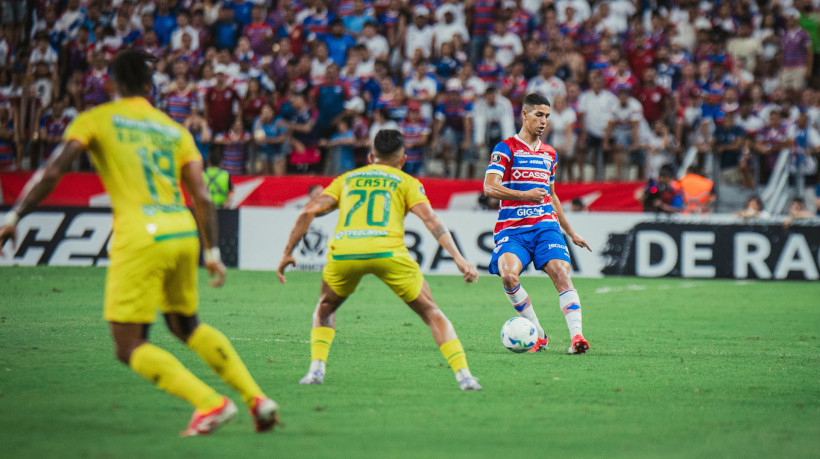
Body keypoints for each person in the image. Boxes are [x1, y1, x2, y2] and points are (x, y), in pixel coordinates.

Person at [0, 50, 278, 436]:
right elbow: (201, 193)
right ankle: (258, 400)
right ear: (151, 87)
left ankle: (211, 404)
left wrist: (14, 215)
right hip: (182, 231)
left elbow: (53, 170)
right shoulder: (173, 129)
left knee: (128, 345)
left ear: (111, 84)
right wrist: (212, 251)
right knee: (187, 325)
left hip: (140, 234)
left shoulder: (96, 119)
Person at [276, 129, 482, 391]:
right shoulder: (406, 181)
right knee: (431, 312)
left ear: (372, 156)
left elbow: (308, 211)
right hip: (388, 253)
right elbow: (431, 220)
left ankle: (316, 370)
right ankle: (464, 376)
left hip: (346, 251)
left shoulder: (347, 179)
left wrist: (287, 252)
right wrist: (459, 259)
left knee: (325, 308)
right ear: (403, 159)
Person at [483, 93, 592, 355]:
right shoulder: (505, 148)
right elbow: (489, 187)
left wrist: (571, 231)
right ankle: (538, 333)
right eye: (538, 115)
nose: (543, 121)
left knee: (561, 273)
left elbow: (551, 195)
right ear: (524, 115)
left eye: (547, 116)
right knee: (509, 276)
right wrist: (523, 195)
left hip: (545, 225)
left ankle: (577, 336)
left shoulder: (550, 153)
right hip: (512, 229)